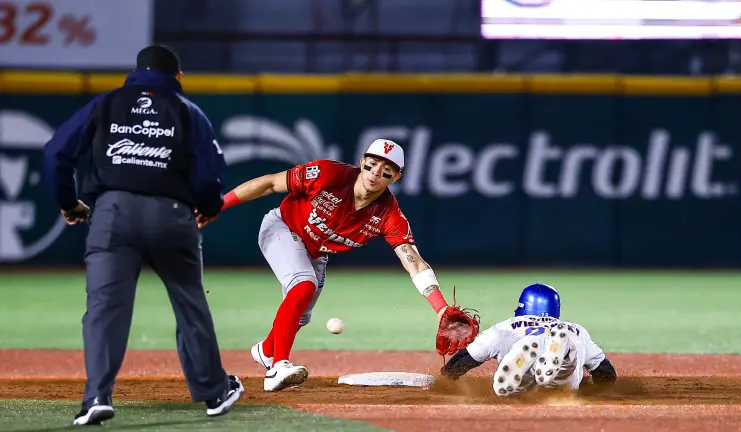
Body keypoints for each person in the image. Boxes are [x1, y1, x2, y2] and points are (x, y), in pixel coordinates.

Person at [42, 45, 244, 426]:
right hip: (172, 216)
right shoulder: (189, 112)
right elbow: (208, 177)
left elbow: (56, 153)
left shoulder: (106, 103)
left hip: (111, 213)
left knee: (105, 308)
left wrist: (69, 203)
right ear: (178, 78)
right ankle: (214, 392)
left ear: (134, 73)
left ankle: (97, 396)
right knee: (189, 303)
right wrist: (210, 207)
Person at [198, 139, 481, 392]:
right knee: (303, 285)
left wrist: (441, 306)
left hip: (316, 252)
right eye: (372, 165)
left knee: (299, 316)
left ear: (396, 177)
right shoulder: (328, 174)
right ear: (362, 163)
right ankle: (277, 367)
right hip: (283, 227)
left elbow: (414, 261)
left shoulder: (388, 214)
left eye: (386, 170)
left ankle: (267, 350)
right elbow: (270, 183)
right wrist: (218, 206)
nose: (375, 173)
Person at [440, 283, 617, 396]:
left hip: (522, 384)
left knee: (517, 381)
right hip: (564, 384)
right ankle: (561, 356)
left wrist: (445, 377)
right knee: (568, 365)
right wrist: (590, 387)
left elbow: (466, 359)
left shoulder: (507, 326)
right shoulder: (577, 330)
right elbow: (606, 373)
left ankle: (523, 355)